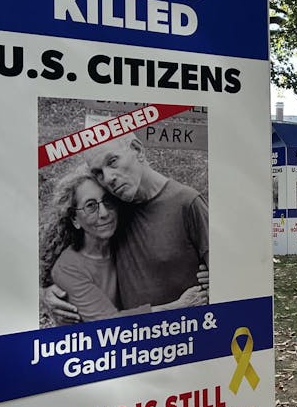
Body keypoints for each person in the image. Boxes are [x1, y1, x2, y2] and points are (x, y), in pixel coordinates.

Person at [44, 134, 209, 322]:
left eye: (112, 161)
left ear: (137, 150)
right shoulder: (114, 211)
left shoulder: (187, 203)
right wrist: (47, 293)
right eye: (99, 172)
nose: (108, 178)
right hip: (131, 336)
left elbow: (226, 274)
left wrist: (214, 281)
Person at [40, 166, 155, 323]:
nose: (104, 213)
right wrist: (178, 306)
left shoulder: (124, 242)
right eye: (90, 206)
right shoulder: (67, 268)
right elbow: (109, 323)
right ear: (74, 219)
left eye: (107, 201)